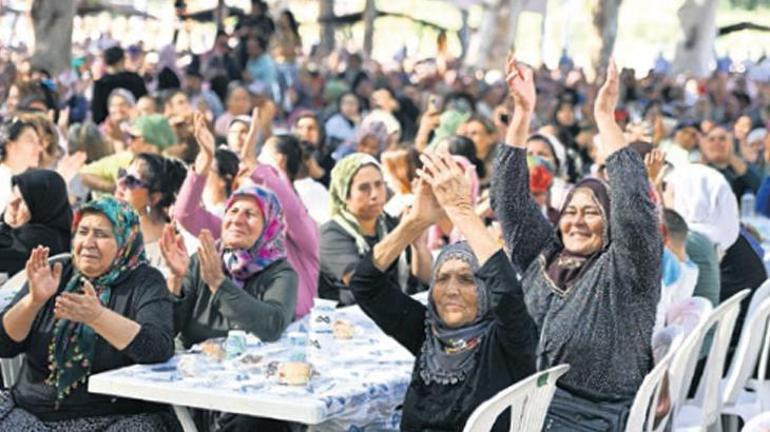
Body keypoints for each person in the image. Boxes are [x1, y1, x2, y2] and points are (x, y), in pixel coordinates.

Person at [494, 58, 661, 429]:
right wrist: (522, 115)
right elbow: (509, 202)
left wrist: (605, 119)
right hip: (524, 401)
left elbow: (634, 206)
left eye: (592, 212)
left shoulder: (628, 267)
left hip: (589, 415)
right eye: (571, 210)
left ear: (612, 222)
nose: (577, 221)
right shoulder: (546, 253)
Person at [350, 152, 536, 431]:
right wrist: (415, 222)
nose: (451, 290)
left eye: (466, 279)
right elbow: (365, 285)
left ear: (486, 291)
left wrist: (461, 211)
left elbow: (508, 292)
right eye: (442, 279)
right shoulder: (429, 333)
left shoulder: (508, 341)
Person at [0, 197, 176, 430]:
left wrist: (97, 317)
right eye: (83, 232)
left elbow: (157, 348)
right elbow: (5, 345)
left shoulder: (145, 282)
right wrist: (34, 301)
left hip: (111, 418)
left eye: (102, 235)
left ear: (126, 240)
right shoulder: (56, 270)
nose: (89, 242)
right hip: (30, 413)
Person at [175, 115, 318, 318]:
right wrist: (204, 161)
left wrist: (255, 166)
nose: (239, 218)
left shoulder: (300, 236)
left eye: (260, 176)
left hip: (301, 339)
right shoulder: (237, 230)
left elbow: (292, 210)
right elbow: (186, 215)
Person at [161, 184, 298, 347]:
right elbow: (167, 329)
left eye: (250, 214)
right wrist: (175, 279)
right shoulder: (201, 261)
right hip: (194, 367)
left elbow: (272, 326)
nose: (237, 220)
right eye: (233, 211)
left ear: (269, 226)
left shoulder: (281, 273)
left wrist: (218, 283)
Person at [320, 153, 432, 305]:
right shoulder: (331, 235)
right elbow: (361, 283)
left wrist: (418, 245)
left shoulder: (391, 224)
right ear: (345, 195)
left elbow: (425, 277)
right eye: (363, 188)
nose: (374, 195)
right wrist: (407, 230)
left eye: (379, 185)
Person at [114, 153, 186, 274]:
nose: (120, 183)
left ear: (154, 198)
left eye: (131, 181)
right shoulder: (114, 228)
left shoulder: (170, 250)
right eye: (122, 173)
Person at [80, 114, 177, 195]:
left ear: (150, 142)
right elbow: (83, 174)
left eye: (133, 137)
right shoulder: (125, 158)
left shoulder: (172, 167)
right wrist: (112, 187)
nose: (129, 141)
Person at [0, 170, 72, 276]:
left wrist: (6, 224)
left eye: (21, 200)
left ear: (42, 206)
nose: (11, 204)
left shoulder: (40, 240)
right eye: (13, 194)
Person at [699, 125, 763, 202]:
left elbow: (761, 191)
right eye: (711, 140)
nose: (717, 142)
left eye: (722, 139)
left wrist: (731, 157)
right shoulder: (694, 170)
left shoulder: (742, 170)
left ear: (731, 144)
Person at [91, 46, 148, 125]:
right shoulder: (135, 79)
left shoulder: (101, 84)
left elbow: (97, 114)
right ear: (122, 60)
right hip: (136, 124)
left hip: (109, 127)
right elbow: (144, 102)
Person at [0, 117, 43, 214]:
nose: (39, 148)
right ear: (9, 145)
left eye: (38, 142)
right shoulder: (3, 179)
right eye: (30, 141)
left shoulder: (17, 182)